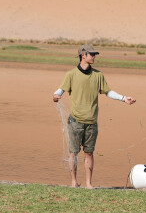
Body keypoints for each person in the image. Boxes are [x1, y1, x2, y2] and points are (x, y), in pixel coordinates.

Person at [53, 44, 136, 189]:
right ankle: (73, 182)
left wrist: (124, 98)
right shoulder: (71, 74)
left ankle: (88, 183)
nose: (94, 56)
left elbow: (108, 92)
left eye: (94, 54)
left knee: (89, 153)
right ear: (83, 55)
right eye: (91, 54)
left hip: (92, 122)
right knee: (73, 153)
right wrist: (56, 95)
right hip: (75, 121)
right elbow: (61, 90)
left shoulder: (98, 75)